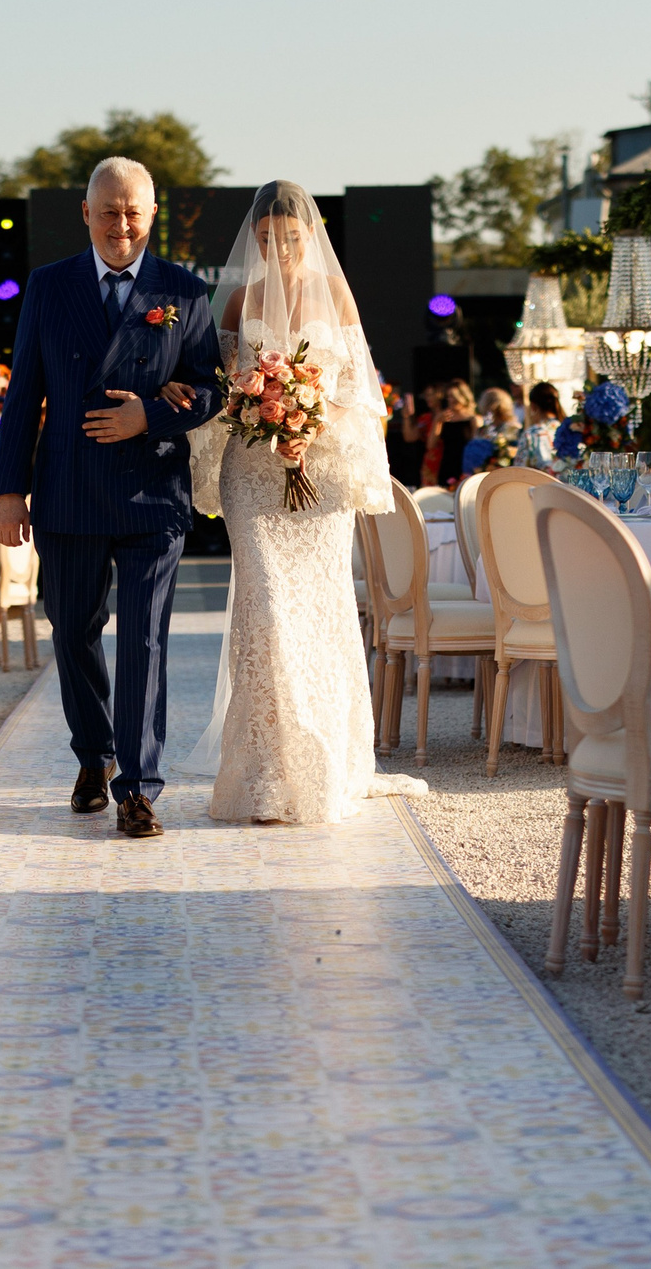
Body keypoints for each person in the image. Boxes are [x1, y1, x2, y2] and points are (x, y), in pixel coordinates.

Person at [168, 181, 426, 822]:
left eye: (289, 238)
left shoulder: (334, 294)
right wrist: (262, 415)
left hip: (323, 478)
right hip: (254, 477)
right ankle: (264, 769)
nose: (278, 249)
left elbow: (361, 391)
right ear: (254, 241)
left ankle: (324, 761)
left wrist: (310, 422)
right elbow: (220, 396)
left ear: (308, 236)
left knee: (321, 609)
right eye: (266, 240)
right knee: (266, 610)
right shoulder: (238, 302)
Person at [0, 157, 223, 840]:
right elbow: (22, 393)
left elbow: (211, 388)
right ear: (86, 214)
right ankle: (93, 754)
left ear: (151, 216)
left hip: (153, 491)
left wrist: (148, 415)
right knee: (73, 632)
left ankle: (139, 787)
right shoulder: (48, 285)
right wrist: (9, 491)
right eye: (110, 209)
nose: (122, 222)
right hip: (67, 488)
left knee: (145, 640)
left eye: (134, 211)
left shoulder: (183, 288)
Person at [425, 380, 476, 486]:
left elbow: (475, 444)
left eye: (453, 396)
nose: (450, 400)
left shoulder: (472, 419)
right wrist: (437, 421)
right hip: (447, 464)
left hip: (465, 465)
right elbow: (430, 445)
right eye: (448, 397)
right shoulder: (444, 418)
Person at [520, 381, 567, 470]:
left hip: (541, 483)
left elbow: (520, 470)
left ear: (533, 406)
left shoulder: (531, 434)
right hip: (568, 483)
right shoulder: (570, 429)